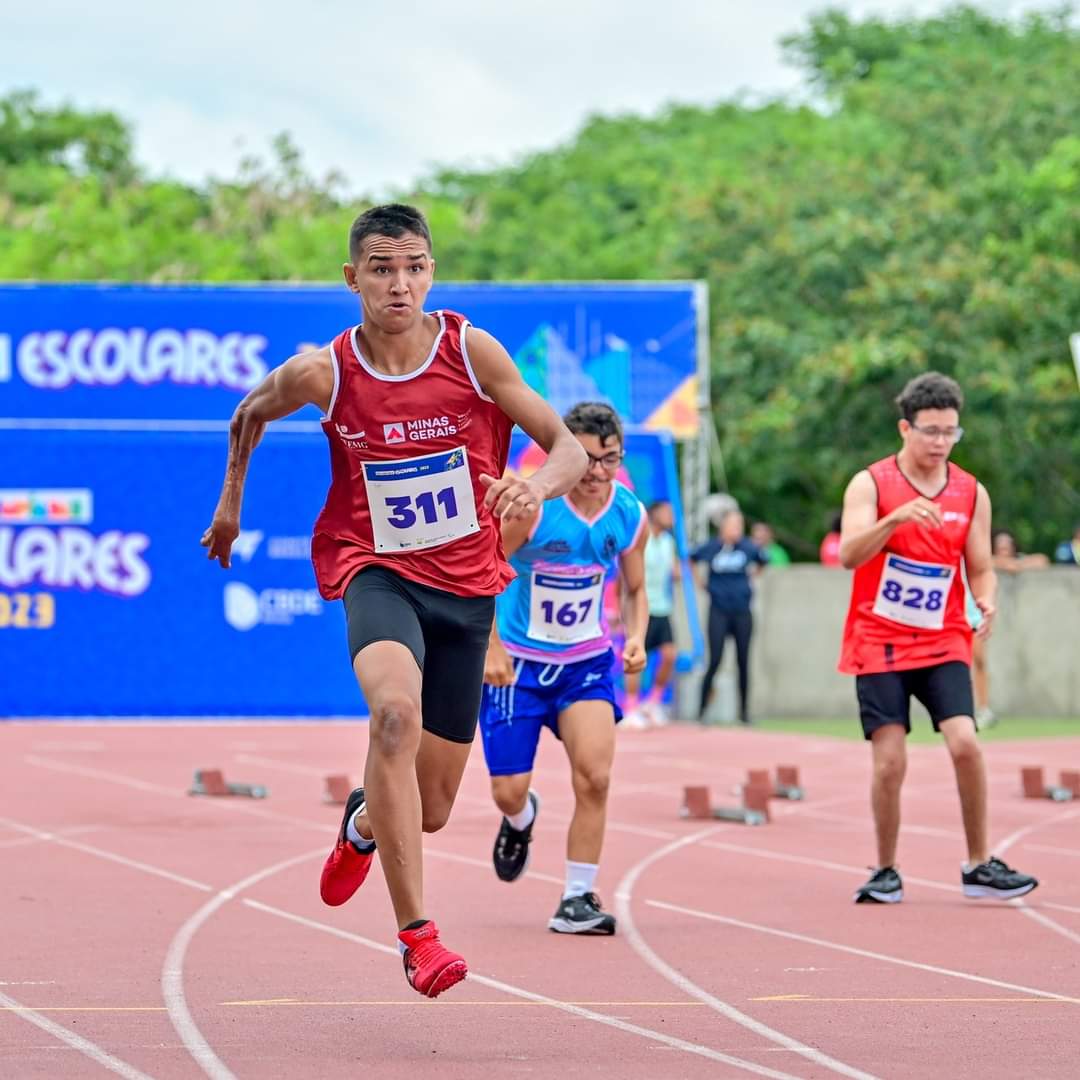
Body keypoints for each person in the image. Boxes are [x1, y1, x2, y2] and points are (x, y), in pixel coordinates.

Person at [201, 204, 587, 997]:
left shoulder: (471, 352)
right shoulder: (324, 371)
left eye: (413, 267)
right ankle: (419, 938)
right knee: (392, 718)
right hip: (374, 568)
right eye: (381, 269)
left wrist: (534, 484)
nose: (399, 284)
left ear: (431, 273)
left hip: (469, 585)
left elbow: (567, 444)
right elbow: (248, 413)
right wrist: (230, 504)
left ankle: (363, 823)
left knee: (433, 808)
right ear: (353, 279)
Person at [837, 371, 1038, 904]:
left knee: (966, 743)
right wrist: (894, 518)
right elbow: (849, 554)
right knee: (891, 760)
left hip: (942, 635)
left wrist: (986, 596)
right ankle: (885, 868)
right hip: (878, 636)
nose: (941, 443)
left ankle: (978, 863)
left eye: (951, 432)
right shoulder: (872, 484)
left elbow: (980, 566)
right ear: (905, 427)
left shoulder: (970, 490)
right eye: (930, 431)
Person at [479, 402, 648, 935]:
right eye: (586, 460)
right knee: (507, 789)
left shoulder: (628, 514)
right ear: (563, 458)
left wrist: (637, 635)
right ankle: (520, 817)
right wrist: (491, 648)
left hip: (586, 664)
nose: (597, 473)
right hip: (520, 665)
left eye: (610, 460)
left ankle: (578, 895)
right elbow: (483, 574)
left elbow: (637, 587)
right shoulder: (531, 510)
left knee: (595, 778)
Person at [692, 508, 765, 725]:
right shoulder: (712, 547)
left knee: (743, 661)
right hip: (719, 610)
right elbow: (691, 558)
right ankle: (702, 709)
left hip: (742, 610)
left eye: (739, 524)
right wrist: (700, 582)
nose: (737, 529)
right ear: (723, 526)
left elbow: (763, 560)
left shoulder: (747, 548)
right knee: (715, 659)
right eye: (733, 524)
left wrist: (752, 576)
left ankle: (744, 712)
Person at [971, 529, 1049, 728]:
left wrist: (1017, 564)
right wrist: (1005, 563)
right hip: (962, 608)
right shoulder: (982, 558)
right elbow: (988, 562)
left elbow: (1042, 560)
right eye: (1000, 547)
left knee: (979, 659)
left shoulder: (1016, 560)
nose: (1004, 551)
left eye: (1007, 547)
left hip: (977, 612)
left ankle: (983, 709)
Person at [624, 499, 681, 727]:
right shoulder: (640, 538)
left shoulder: (668, 542)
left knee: (669, 655)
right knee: (636, 656)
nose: (670, 516)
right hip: (641, 608)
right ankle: (630, 707)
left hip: (662, 608)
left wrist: (678, 571)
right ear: (653, 514)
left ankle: (653, 702)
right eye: (666, 512)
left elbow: (674, 570)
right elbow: (625, 576)